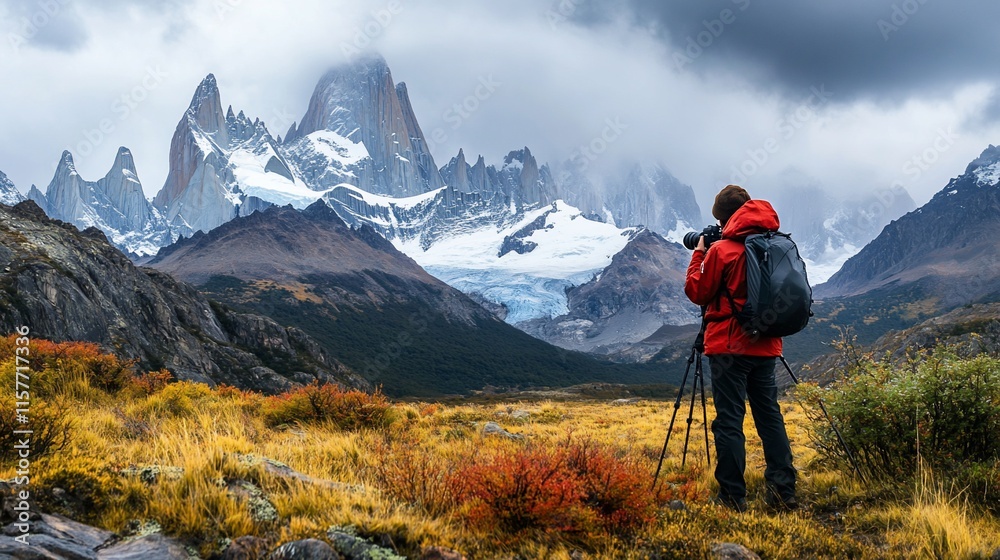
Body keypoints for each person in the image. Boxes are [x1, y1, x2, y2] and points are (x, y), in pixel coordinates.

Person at [684, 184, 797, 512]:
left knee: (729, 420)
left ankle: (733, 497)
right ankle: (783, 492)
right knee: (769, 417)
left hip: (729, 348)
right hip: (767, 346)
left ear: (724, 218)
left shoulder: (723, 250)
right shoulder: (778, 245)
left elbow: (697, 291)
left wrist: (700, 252)